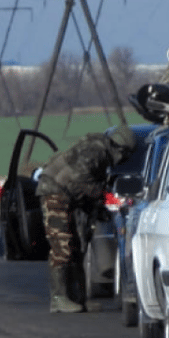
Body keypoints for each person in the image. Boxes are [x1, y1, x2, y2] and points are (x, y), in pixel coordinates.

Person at [35, 124, 137, 313]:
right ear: (119, 148)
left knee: (78, 245)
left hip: (69, 194)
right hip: (54, 192)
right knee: (62, 246)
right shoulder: (95, 153)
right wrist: (103, 197)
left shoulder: (102, 153)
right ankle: (58, 299)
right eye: (125, 154)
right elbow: (79, 183)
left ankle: (77, 298)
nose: (124, 159)